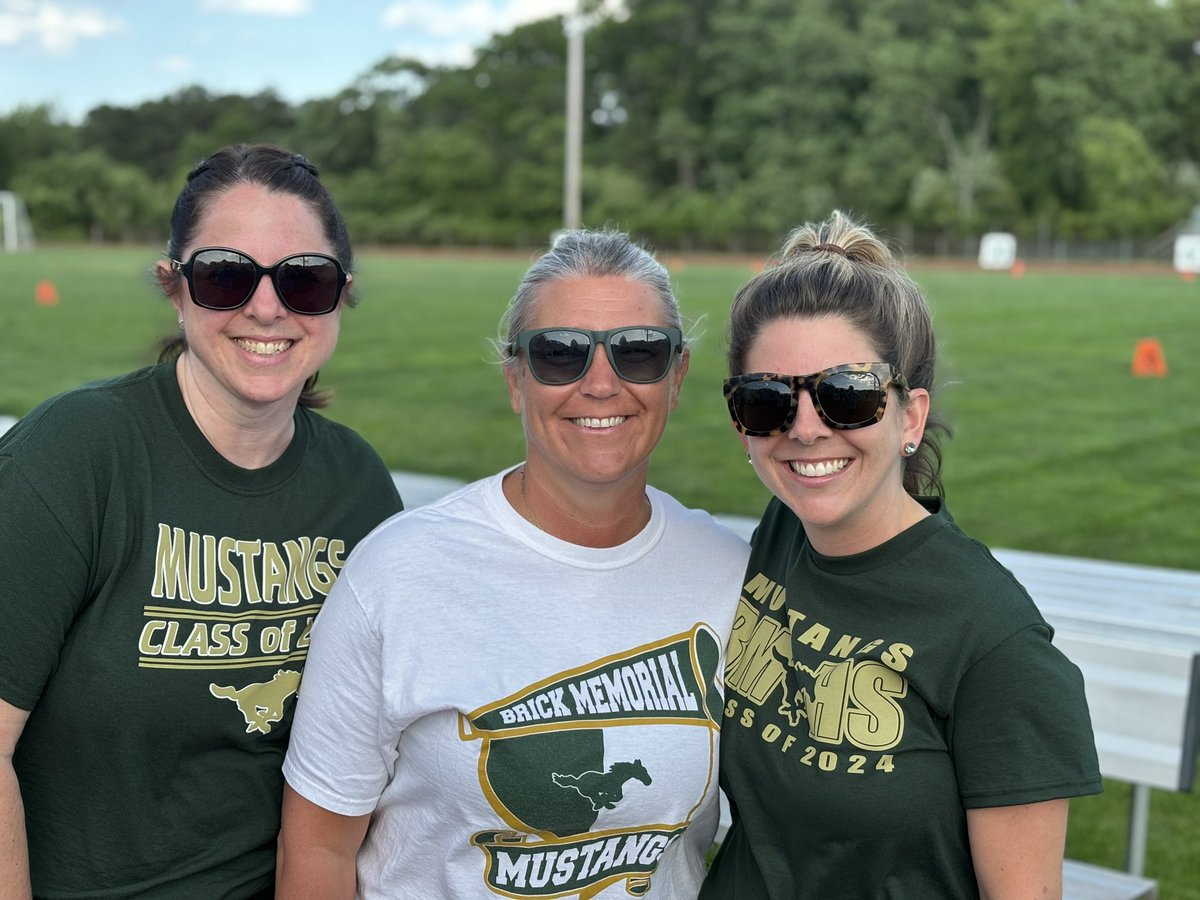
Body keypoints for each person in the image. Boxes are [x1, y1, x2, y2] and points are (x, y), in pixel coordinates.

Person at [276, 229, 750, 899]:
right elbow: (317, 848)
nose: (601, 383)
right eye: (560, 355)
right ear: (515, 379)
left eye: (638, 353)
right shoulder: (399, 571)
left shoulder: (728, 574)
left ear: (676, 377)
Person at [0, 143, 403, 899]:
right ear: (174, 288)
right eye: (226, 275)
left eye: (304, 280)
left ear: (340, 296)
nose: (266, 307)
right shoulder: (76, 454)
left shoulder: (357, 486)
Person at [700, 211, 1102, 899]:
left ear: (909, 415)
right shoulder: (781, 534)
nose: (803, 430)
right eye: (767, 400)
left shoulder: (993, 638)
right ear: (743, 423)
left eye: (846, 397)